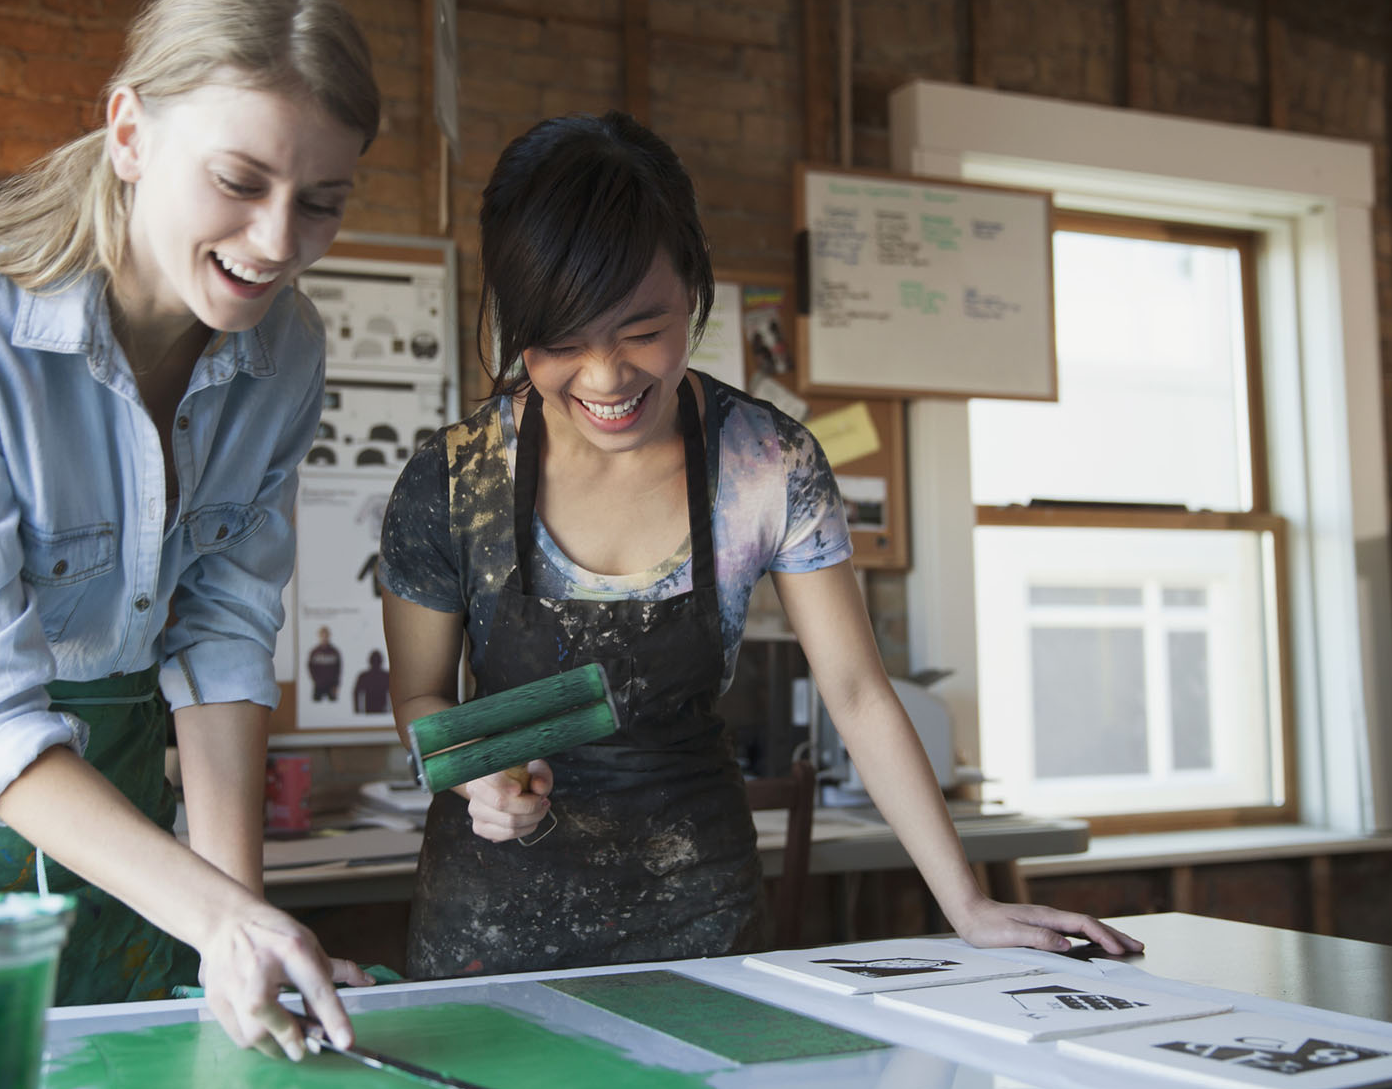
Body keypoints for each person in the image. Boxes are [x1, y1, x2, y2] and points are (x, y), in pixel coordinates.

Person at [377, 111, 1145, 979]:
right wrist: (476, 770)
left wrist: (966, 903)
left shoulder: (769, 463)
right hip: (490, 926)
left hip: (701, 915)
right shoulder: (452, 479)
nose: (605, 377)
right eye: (561, 343)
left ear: (694, 286)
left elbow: (856, 692)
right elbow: (419, 693)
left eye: (642, 331)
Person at [0, 0, 379, 1061]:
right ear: (130, 133)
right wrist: (215, 914)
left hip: (121, 831)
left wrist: (233, 922)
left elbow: (224, 632)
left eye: (320, 201)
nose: (279, 241)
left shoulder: (286, 349)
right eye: (239, 182)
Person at [307, 625, 343, 702]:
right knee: (316, 704)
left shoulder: (334, 652)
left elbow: (338, 670)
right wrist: (316, 680)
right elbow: (311, 667)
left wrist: (336, 684)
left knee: (333, 705)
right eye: (322, 636)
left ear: (329, 636)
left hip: (331, 686)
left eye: (326, 636)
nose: (324, 638)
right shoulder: (315, 652)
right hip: (318, 685)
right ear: (319, 636)